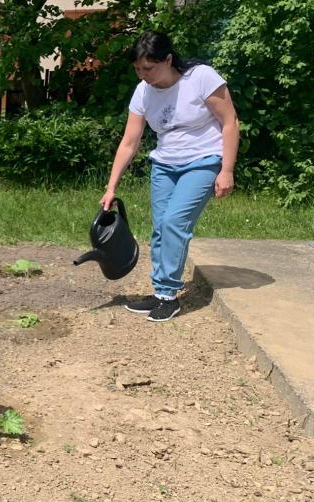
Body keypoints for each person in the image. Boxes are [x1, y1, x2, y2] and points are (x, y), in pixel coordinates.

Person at [102, 30, 239, 322]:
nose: (143, 75)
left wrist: (226, 169)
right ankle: (161, 291)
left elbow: (229, 122)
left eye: (148, 68)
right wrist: (111, 186)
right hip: (165, 164)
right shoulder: (143, 92)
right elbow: (129, 141)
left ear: (168, 59)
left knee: (175, 222)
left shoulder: (201, 78)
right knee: (161, 227)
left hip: (204, 160)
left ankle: (168, 297)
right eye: (138, 69)